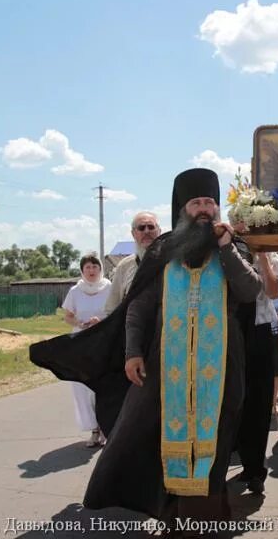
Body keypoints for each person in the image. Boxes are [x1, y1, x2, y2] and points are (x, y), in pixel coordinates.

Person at [30, 168, 261, 529]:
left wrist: (227, 248)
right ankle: (173, 518)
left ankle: (207, 523)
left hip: (223, 368)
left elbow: (250, 290)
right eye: (197, 202)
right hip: (165, 367)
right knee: (163, 440)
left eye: (210, 202)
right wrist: (132, 352)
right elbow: (137, 305)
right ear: (183, 208)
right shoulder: (163, 250)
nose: (204, 209)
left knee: (215, 441)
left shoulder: (234, 246)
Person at [236, 252, 278, 495]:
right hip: (229, 331)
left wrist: (263, 258)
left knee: (258, 403)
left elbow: (274, 292)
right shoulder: (225, 249)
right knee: (232, 405)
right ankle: (240, 462)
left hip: (260, 330)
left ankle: (255, 469)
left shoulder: (272, 257)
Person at [61, 253, 112, 447]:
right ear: (82, 270)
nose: (91, 271)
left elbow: (116, 311)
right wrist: (80, 323)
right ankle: (94, 430)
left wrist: (101, 321)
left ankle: (106, 428)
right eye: (87, 267)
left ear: (101, 269)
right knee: (84, 387)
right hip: (81, 342)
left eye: (95, 267)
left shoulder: (109, 288)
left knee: (103, 386)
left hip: (104, 340)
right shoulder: (75, 290)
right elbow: (67, 316)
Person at [104, 211, 160, 315]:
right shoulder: (124, 266)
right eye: (141, 228)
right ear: (133, 234)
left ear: (159, 231)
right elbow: (112, 308)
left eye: (151, 227)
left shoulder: (172, 262)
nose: (147, 231)